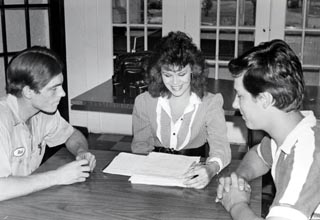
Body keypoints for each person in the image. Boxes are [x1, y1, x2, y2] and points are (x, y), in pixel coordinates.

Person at [216, 39, 320, 220]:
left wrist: (236, 204)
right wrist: (239, 179)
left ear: (264, 100)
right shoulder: (290, 131)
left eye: (240, 96)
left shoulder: (306, 155)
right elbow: (259, 155)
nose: (234, 104)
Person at [131, 31, 231, 189]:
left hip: (194, 178)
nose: (175, 82)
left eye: (182, 74)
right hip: (154, 177)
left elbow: (221, 148)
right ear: (158, 74)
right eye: (168, 75)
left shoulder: (210, 103)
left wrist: (210, 169)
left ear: (194, 70)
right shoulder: (144, 102)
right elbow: (141, 147)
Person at [0, 46, 96, 201]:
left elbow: (72, 135)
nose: (63, 94)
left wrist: (81, 152)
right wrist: (58, 177)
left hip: (23, 201)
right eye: (54, 89)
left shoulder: (43, 112)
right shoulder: (2, 121)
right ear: (28, 92)